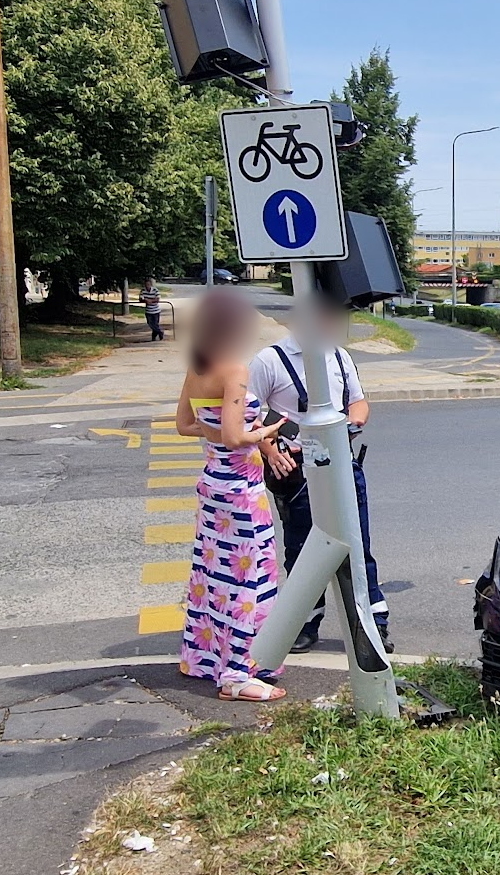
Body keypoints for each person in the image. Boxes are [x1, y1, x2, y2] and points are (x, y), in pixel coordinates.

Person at [248, 296, 393, 654]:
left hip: (343, 466)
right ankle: (302, 623)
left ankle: (372, 626)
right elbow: (246, 413)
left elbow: (359, 401)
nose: (333, 325)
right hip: (298, 474)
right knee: (300, 550)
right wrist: (268, 449)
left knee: (357, 549)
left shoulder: (340, 356)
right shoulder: (271, 360)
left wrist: (354, 420)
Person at [174, 289, 285, 702]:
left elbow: (185, 425)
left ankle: (206, 659)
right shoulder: (235, 369)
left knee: (213, 575)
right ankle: (239, 673)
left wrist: (214, 432)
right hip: (242, 493)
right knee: (250, 577)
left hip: (212, 487)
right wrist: (266, 432)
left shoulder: (197, 366)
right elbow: (239, 436)